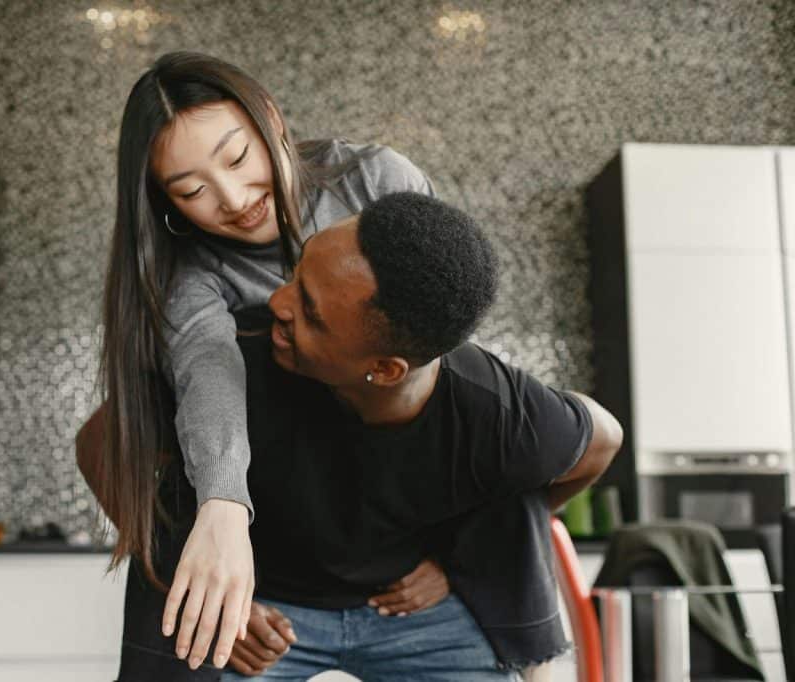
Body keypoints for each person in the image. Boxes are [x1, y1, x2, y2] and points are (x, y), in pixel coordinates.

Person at [79, 192, 623, 680]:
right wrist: (214, 584)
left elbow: (602, 441)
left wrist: (455, 564)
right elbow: (100, 445)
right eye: (297, 275)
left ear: (384, 369)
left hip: (418, 612)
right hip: (267, 613)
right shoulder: (238, 357)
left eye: (310, 313)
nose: (278, 303)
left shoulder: (500, 410)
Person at [92, 50, 437, 671]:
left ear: (271, 120)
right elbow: (208, 377)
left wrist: (458, 552)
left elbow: (454, 359)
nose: (232, 198)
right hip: (268, 529)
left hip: (392, 518)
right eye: (192, 190)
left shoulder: (376, 181)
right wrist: (219, 521)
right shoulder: (184, 268)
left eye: (237, 157)